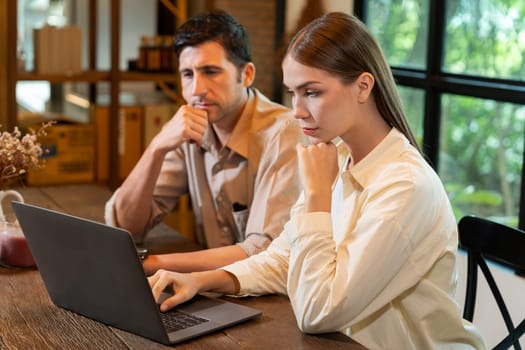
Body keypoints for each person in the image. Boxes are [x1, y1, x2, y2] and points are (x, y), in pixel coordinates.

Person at [147, 12, 487, 350]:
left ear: (363, 87)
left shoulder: (406, 186)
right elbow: (285, 258)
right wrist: (199, 280)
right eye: (292, 93)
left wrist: (318, 197)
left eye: (311, 92)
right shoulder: (336, 156)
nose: (296, 110)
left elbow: (317, 313)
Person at [104, 10, 302, 275]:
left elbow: (264, 251)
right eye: (188, 74)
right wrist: (156, 148)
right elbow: (126, 226)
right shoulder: (189, 129)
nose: (197, 89)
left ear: (246, 75)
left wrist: (155, 264)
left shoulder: (285, 133)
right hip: (213, 291)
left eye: (210, 72)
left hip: (278, 300)